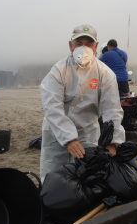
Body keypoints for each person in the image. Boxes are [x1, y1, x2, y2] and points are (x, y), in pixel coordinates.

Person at [39, 24, 126, 182]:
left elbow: (112, 110)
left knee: (85, 175)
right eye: (79, 44)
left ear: (96, 46)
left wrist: (112, 142)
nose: (83, 48)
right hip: (56, 129)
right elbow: (52, 107)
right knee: (51, 172)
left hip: (87, 130)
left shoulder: (105, 74)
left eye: (88, 44)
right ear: (70, 45)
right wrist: (69, 139)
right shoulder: (58, 70)